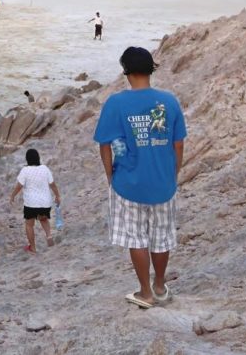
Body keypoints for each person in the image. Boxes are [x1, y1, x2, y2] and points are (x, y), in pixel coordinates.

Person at [95, 46, 187, 310]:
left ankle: (145, 292)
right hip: (163, 183)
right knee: (161, 236)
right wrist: (173, 173)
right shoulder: (169, 101)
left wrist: (110, 176)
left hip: (128, 184)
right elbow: (178, 144)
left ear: (125, 71)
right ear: (151, 69)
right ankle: (159, 287)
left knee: (136, 238)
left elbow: (105, 143)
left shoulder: (116, 103)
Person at [7, 147, 59, 254]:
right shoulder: (45, 168)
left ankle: (33, 248)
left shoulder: (25, 170)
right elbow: (52, 184)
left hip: (31, 203)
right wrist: (58, 196)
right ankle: (49, 235)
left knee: (29, 225)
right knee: (43, 219)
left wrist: (12, 195)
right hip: (45, 202)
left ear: (27, 159)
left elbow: (19, 186)